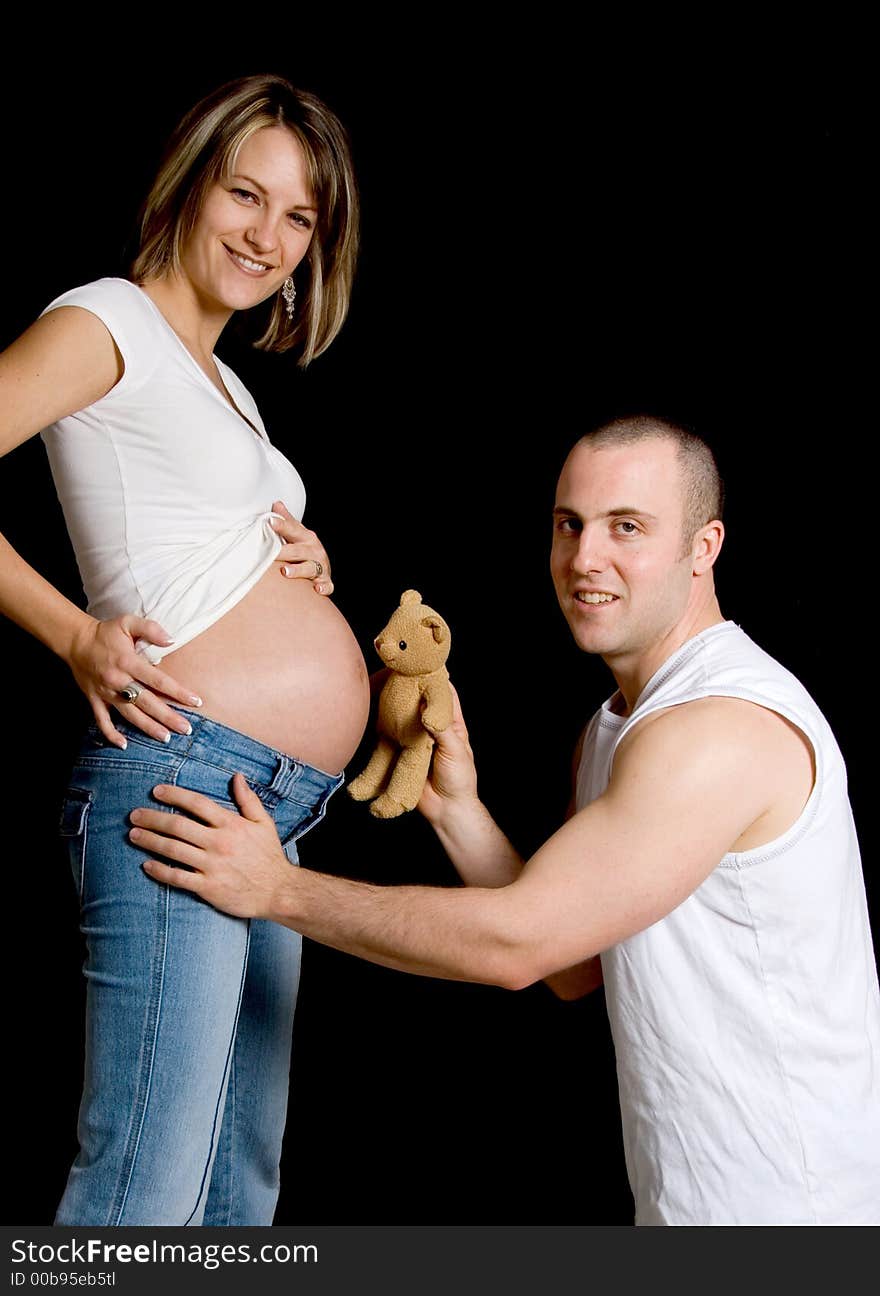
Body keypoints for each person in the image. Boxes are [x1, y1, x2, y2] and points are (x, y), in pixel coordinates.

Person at [133, 415, 880, 1225]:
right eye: (570, 524)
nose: (585, 558)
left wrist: (277, 890)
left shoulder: (718, 727)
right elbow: (576, 964)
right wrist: (456, 810)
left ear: (704, 547)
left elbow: (523, 944)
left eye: (626, 527)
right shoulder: (617, 726)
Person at [0, 74, 370, 1226]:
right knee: (141, 1198)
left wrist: (301, 570)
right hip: (181, 776)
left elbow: (191, 540)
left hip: (272, 808)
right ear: (190, 184)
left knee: (234, 1194)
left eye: (299, 217)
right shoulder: (105, 319)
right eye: (244, 195)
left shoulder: (229, 389)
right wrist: (73, 635)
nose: (267, 236)